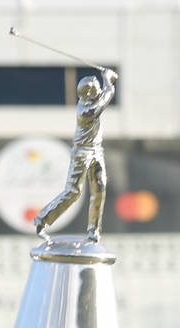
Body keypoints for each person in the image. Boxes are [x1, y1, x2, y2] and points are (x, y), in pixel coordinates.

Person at [34, 67, 118, 242]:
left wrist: (107, 80)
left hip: (96, 150)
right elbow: (107, 97)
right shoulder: (86, 110)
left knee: (100, 187)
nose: (99, 90)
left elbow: (105, 94)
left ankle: (93, 232)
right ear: (89, 93)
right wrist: (108, 80)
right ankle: (42, 220)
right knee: (74, 191)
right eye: (96, 87)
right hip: (82, 153)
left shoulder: (92, 100)